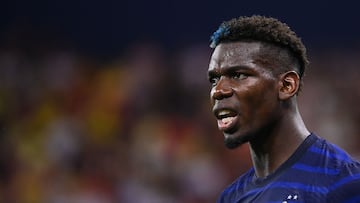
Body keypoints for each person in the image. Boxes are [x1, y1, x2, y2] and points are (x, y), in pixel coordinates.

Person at [208, 15, 360, 202]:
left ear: (287, 86)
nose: (218, 90)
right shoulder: (231, 197)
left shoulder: (344, 182)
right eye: (214, 79)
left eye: (238, 75)